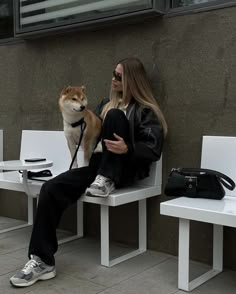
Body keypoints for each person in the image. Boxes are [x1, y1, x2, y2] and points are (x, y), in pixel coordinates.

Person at [10, 57, 168, 287]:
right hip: (95, 168)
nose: (113, 79)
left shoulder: (144, 111)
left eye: (119, 76)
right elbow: (86, 130)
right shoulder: (105, 103)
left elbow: (153, 147)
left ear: (132, 80)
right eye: (113, 74)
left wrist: (128, 148)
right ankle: (42, 261)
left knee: (114, 115)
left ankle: (107, 179)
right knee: (50, 188)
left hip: (122, 170)